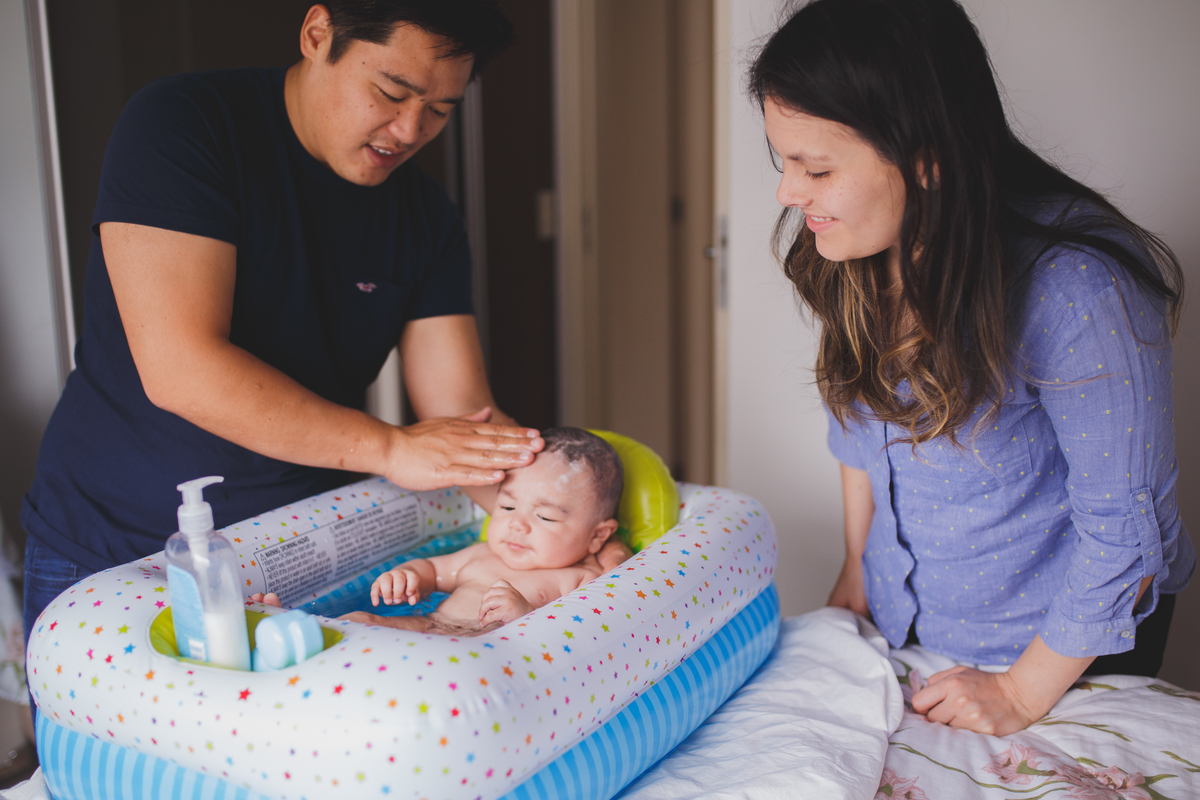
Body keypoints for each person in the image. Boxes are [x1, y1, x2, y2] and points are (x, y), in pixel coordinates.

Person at [20, 2, 624, 676]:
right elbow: (180, 368)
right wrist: (391, 448)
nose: (409, 130)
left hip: (296, 551)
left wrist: (577, 526)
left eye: (440, 110)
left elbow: (461, 412)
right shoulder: (185, 126)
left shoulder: (425, 219)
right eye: (391, 92)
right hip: (112, 545)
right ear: (318, 34)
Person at [750, 0, 1193, 736]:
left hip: (1057, 649)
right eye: (783, 161)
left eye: (817, 168)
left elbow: (1127, 535)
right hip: (917, 624)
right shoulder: (854, 247)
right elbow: (858, 418)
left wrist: (1020, 692)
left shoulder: (1077, 289)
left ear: (927, 159)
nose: (788, 193)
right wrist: (859, 564)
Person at [262, 427, 625, 634]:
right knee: (360, 622)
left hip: (496, 657)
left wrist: (526, 616)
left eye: (545, 517)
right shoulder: (482, 555)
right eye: (507, 507)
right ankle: (289, 632)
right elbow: (434, 570)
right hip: (428, 628)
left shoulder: (581, 579)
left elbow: (581, 637)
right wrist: (409, 576)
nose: (517, 523)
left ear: (598, 536)